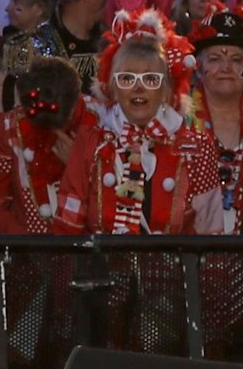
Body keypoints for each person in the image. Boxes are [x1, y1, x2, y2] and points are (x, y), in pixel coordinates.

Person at [53, 13, 221, 235]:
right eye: (127, 79)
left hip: (173, 270)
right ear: (112, 88)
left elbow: (211, 236)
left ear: (165, 91)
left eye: (150, 79)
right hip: (103, 269)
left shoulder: (196, 147)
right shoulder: (92, 141)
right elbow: (67, 229)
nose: (138, 88)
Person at [184, 5, 243, 234]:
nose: (226, 67)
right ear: (198, 67)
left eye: (236, 60)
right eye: (214, 59)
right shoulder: (177, 122)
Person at [0, 57, 83, 235]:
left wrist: (77, 165)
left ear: (77, 100)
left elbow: (107, 204)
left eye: (60, 124)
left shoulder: (98, 122)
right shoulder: (7, 128)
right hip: (25, 249)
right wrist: (29, 245)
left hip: (86, 251)